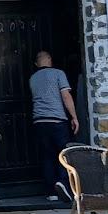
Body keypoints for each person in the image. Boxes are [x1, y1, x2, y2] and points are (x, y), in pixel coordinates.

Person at [29, 51, 79, 199]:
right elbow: (65, 95)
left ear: (36, 64)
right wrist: (74, 117)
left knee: (48, 156)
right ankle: (62, 182)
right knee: (63, 153)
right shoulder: (58, 73)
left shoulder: (32, 78)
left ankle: (51, 192)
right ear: (50, 60)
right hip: (57, 120)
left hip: (39, 121)